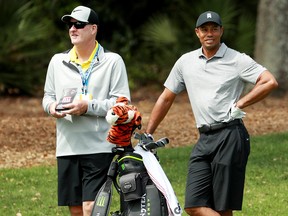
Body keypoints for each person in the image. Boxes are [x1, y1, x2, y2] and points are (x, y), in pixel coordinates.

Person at [144, 11, 278, 216]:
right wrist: (149, 132)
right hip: (204, 139)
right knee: (193, 206)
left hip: (230, 136)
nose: (210, 33)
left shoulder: (237, 59)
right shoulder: (185, 62)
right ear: (197, 33)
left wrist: (240, 103)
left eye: (214, 29)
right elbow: (166, 98)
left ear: (221, 31)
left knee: (223, 208)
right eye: (205, 29)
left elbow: (269, 81)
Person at [42, 5, 130, 216]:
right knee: (76, 211)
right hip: (67, 147)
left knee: (92, 208)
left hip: (99, 146)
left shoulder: (113, 61)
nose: (73, 29)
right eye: (70, 25)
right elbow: (47, 97)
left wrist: (87, 107)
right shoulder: (57, 61)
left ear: (93, 29)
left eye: (79, 25)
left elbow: (122, 104)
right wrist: (52, 107)